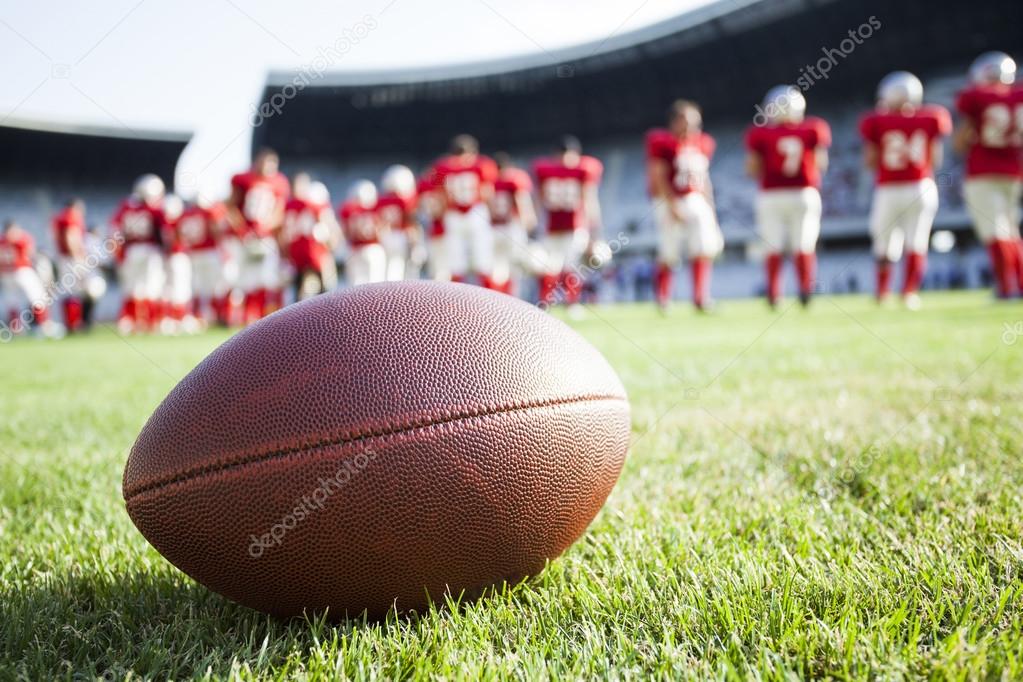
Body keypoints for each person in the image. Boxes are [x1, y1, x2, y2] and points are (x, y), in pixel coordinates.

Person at [860, 71, 952, 310]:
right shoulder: (932, 117)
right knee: (917, 241)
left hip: (889, 188)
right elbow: (936, 159)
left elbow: (870, 160)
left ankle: (882, 292)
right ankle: (909, 293)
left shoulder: (875, 121)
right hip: (921, 185)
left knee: (884, 242)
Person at [746, 85, 831, 308]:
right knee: (803, 244)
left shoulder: (761, 133)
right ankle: (805, 288)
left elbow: (752, 169)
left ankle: (774, 294)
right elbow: (821, 164)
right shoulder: (814, 129)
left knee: (772, 245)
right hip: (804, 193)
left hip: (771, 194)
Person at [954, 51, 1023, 299]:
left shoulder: (976, 97)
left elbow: (961, 142)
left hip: (983, 171)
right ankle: (1020, 283)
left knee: (995, 231)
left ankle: (1006, 287)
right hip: (1014, 172)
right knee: (1011, 230)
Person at [647, 100, 723, 312]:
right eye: (688, 122)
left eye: (696, 122)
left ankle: (701, 297)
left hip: (696, 198)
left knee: (702, 248)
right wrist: (671, 204)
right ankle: (663, 299)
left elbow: (704, 179)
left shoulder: (703, 143)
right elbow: (658, 175)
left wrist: (710, 206)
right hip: (671, 198)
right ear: (674, 121)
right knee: (669, 251)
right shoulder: (662, 142)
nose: (693, 127)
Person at [533, 135, 603, 316]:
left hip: (575, 227)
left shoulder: (583, 170)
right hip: (552, 227)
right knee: (549, 267)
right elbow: (539, 199)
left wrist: (593, 230)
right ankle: (545, 303)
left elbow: (588, 200)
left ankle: (572, 302)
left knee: (571, 266)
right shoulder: (547, 171)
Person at [226, 148, 290, 323]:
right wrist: (242, 230)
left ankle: (260, 320)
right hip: (244, 238)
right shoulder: (243, 179)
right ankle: (244, 317)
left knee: (265, 278)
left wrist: (265, 229)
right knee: (243, 278)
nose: (267, 167)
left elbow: (279, 212)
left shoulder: (279, 183)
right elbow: (231, 206)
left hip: (264, 237)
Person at [429, 134, 498, 287]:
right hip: (476, 212)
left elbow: (439, 197)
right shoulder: (482, 165)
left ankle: (456, 301)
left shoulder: (442, 167)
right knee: (483, 258)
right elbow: (488, 192)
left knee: (456, 261)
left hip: (453, 215)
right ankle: (491, 297)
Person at [110, 174, 167, 333]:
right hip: (149, 249)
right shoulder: (154, 209)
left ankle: (130, 320)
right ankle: (150, 321)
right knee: (151, 286)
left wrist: (118, 252)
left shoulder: (125, 207)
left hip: (132, 250)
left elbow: (115, 230)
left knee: (132, 287)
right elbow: (164, 233)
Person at [0, 220, 61, 338]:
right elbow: (29, 254)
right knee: (38, 297)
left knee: (12, 301)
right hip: (21, 270)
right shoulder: (21, 240)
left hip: (6, 274)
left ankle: (16, 328)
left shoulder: (2, 241)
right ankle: (44, 325)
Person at [177, 196, 230, 326]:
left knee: (197, 286)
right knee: (215, 286)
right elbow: (217, 229)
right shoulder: (208, 212)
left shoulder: (185, 214)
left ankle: (198, 315)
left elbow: (179, 234)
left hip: (194, 253)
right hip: (209, 252)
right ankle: (216, 315)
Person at [489, 152, 536, 296]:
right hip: (512, 227)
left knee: (497, 268)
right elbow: (522, 201)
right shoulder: (515, 179)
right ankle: (512, 299)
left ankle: (496, 299)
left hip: (493, 228)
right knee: (514, 267)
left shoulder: (489, 181)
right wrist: (529, 222)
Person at [284, 180, 338, 300]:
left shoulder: (291, 206)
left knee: (300, 294)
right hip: (314, 255)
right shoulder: (315, 208)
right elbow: (328, 236)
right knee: (321, 295)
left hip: (296, 255)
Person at [375, 165, 420, 281]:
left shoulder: (380, 200)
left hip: (385, 235)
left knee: (387, 268)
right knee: (403, 268)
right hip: (400, 235)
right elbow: (410, 219)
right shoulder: (405, 200)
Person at [339, 180, 386, 287]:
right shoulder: (377, 207)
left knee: (355, 287)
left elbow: (345, 232)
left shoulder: (349, 209)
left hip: (354, 249)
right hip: (373, 248)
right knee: (376, 285)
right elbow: (383, 230)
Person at [51, 198, 87, 332]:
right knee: (74, 291)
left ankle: (70, 323)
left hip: (62, 257)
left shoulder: (59, 218)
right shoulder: (71, 217)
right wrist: (77, 255)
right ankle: (73, 323)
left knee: (68, 290)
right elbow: (71, 236)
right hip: (70, 257)